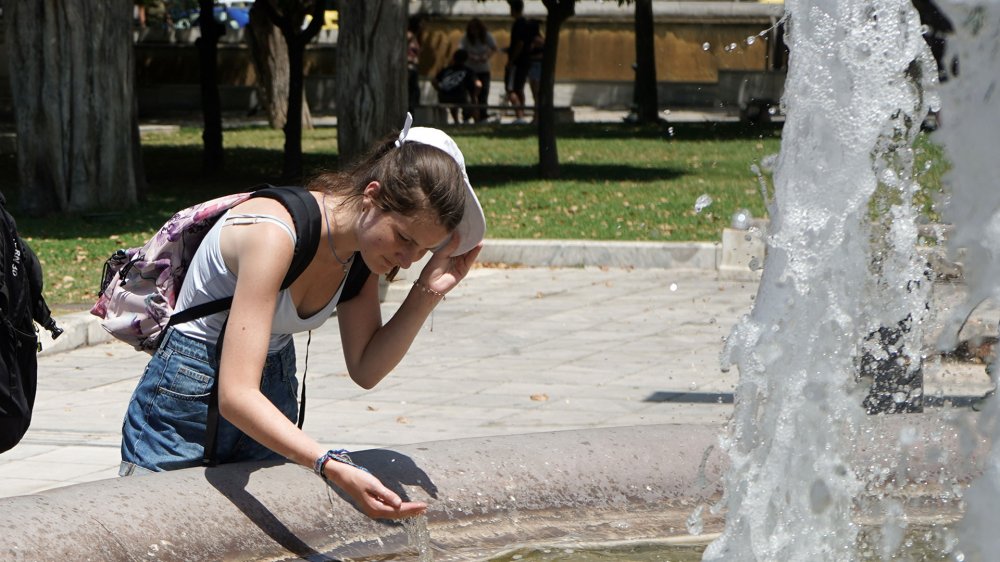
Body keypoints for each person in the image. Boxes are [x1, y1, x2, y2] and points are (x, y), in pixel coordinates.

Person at [119, 115, 486, 521]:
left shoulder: (361, 256)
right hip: (185, 401)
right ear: (372, 195)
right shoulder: (274, 232)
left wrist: (428, 291)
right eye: (404, 238)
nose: (407, 259)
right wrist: (329, 462)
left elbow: (366, 368)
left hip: (269, 396)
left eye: (422, 250)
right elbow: (236, 395)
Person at [459, 18, 497, 123]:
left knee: (483, 92)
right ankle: (467, 116)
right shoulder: (466, 38)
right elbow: (461, 50)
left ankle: (483, 116)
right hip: (470, 70)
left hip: (483, 69)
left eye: (476, 29)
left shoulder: (487, 36)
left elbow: (494, 48)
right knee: (469, 93)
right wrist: (471, 56)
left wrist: (486, 56)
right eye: (472, 30)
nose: (474, 32)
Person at [433, 49, 482, 125]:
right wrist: (474, 95)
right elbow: (478, 85)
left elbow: (434, 81)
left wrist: (439, 90)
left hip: (444, 97)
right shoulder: (468, 71)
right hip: (461, 97)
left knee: (453, 95)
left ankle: (456, 121)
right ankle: (477, 122)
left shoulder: (446, 70)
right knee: (473, 101)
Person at [504, 0, 533, 124]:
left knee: (511, 89)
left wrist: (511, 60)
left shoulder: (519, 24)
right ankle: (521, 115)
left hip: (518, 63)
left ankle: (519, 115)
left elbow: (520, 43)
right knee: (519, 88)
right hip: (525, 61)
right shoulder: (526, 23)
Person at [407, 16, 424, 113]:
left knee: (414, 93)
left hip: (414, 67)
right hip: (408, 67)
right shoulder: (409, 36)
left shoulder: (416, 37)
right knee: (410, 93)